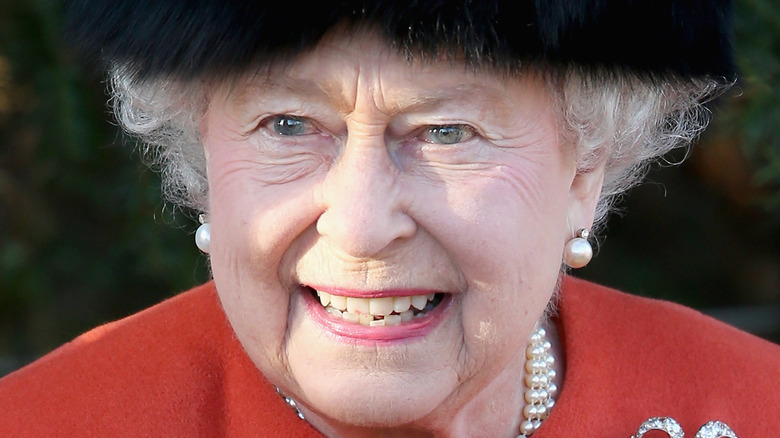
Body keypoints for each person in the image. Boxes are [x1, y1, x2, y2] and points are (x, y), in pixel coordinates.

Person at [1, 1, 779, 437]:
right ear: (205, 160)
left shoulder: (751, 406)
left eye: (446, 132)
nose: (362, 226)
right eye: (288, 124)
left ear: (586, 169)